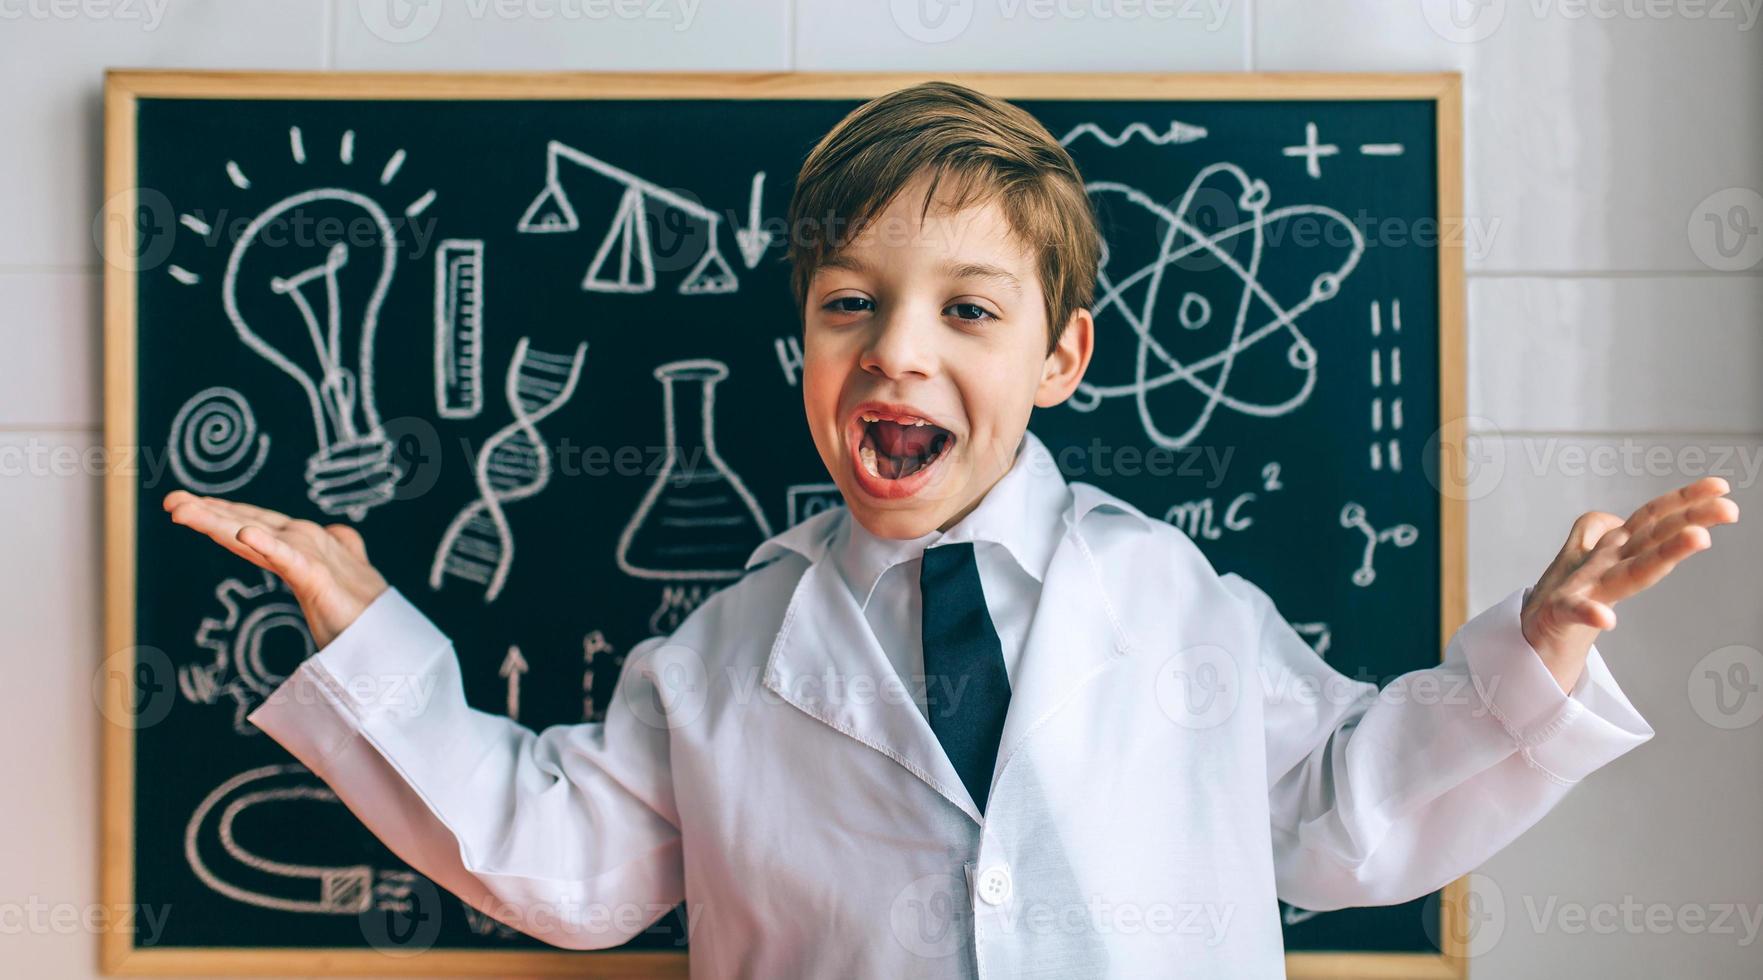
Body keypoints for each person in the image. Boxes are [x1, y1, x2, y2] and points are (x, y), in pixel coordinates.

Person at [162, 81, 1738, 977]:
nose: (896, 350)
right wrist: (374, 640)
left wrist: (1527, 662)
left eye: (965, 310)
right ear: (802, 350)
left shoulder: (1167, 599)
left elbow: (1347, 813)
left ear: (1060, 360)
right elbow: (567, 864)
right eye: (849, 305)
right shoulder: (729, 653)